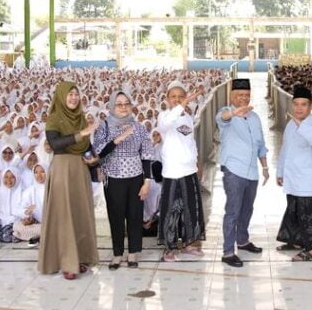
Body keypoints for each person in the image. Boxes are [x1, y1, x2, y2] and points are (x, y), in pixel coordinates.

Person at [39, 81, 100, 280]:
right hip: (62, 169)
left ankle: (80, 257)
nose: (74, 98)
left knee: (80, 213)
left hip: (79, 169)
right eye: (70, 94)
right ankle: (66, 261)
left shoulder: (81, 118)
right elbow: (55, 144)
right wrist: (79, 134)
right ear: (61, 96)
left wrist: (92, 158)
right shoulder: (54, 117)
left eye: (76, 94)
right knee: (64, 215)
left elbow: (86, 146)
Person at [93, 89, 156, 269]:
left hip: (136, 177)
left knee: (135, 215)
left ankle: (133, 252)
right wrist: (116, 140)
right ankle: (117, 254)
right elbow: (98, 152)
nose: (123, 108)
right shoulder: (104, 126)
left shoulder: (138, 127)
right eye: (119, 104)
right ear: (112, 106)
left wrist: (147, 181)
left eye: (126, 104)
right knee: (116, 216)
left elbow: (146, 154)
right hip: (113, 178)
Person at [215, 78, 268, 268]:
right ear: (232, 96)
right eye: (239, 95)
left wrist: (265, 167)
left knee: (247, 209)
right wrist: (234, 112)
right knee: (233, 210)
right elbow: (222, 118)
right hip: (233, 170)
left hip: (252, 171)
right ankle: (228, 252)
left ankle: (243, 241)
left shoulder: (255, 117)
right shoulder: (225, 113)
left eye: (246, 95)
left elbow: (261, 144)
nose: (244, 99)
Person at [276, 85, 312, 261]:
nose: (299, 108)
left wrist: (302, 125)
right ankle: (295, 241)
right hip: (293, 177)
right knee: (294, 211)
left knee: (310, 216)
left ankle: (311, 249)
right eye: (297, 104)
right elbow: (286, 148)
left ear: (310, 106)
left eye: (303, 104)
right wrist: (280, 171)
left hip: (309, 180)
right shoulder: (291, 124)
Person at [156, 81, 205, 262]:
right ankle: (169, 248)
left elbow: (190, 142)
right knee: (171, 211)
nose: (177, 100)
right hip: (172, 172)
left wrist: (197, 162)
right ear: (167, 99)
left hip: (188, 170)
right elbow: (165, 126)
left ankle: (189, 243)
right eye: (173, 97)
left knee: (190, 209)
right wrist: (182, 105)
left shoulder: (187, 118)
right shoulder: (164, 116)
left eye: (181, 96)